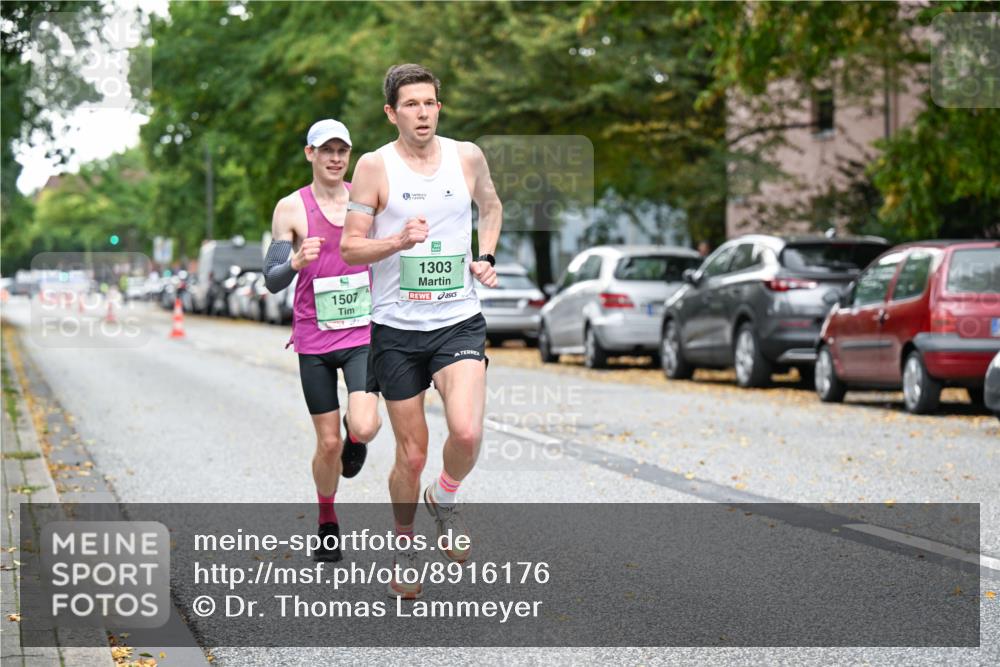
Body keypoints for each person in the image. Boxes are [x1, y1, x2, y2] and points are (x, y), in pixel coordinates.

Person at [341, 63, 502, 599]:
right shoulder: (373, 167)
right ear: (392, 113)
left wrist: (485, 255)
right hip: (396, 329)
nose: (423, 112)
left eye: (430, 102)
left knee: (467, 432)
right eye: (411, 104)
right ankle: (405, 543)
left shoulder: (467, 156)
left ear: (439, 106)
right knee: (411, 454)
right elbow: (350, 246)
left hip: (457, 318)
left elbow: (492, 206)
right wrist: (396, 243)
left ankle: (446, 497)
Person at [263, 119, 381, 563]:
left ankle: (357, 442)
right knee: (327, 443)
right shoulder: (291, 208)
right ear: (310, 154)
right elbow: (272, 281)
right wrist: (294, 262)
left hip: (362, 332)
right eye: (326, 150)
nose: (335, 158)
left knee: (364, 426)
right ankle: (327, 519)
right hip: (313, 338)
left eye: (342, 150)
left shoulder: (364, 201)